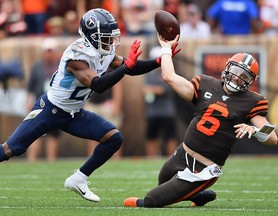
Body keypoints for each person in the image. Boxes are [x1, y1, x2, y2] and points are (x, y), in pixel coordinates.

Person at [0, 8, 180, 202]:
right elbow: (98, 85)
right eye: (105, 37)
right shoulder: (77, 56)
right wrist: (126, 67)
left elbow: (129, 66)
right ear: (90, 36)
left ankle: (78, 178)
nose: (110, 42)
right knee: (11, 149)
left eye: (111, 37)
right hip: (50, 109)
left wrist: (159, 61)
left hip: (73, 113)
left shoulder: (103, 50)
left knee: (114, 138)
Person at [124, 34, 278, 208]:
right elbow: (169, 77)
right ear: (227, 68)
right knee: (163, 182)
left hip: (203, 170)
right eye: (236, 71)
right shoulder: (205, 83)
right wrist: (166, 48)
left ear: (250, 81)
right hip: (182, 153)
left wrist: (255, 131)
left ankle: (193, 190)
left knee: (151, 201)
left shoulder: (252, 101)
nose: (237, 77)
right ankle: (198, 196)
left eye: (244, 76)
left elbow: (273, 138)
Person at [26, 38, 61, 162]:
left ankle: (51, 161)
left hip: (55, 105)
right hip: (39, 105)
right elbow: (30, 87)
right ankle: (32, 161)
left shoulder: (60, 67)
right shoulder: (37, 67)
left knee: (53, 135)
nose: (49, 53)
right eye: (47, 51)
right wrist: (28, 102)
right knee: (35, 134)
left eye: (51, 51)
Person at [143, 46, 178, 157]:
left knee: (170, 137)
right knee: (151, 137)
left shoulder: (168, 73)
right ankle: (151, 160)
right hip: (152, 112)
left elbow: (163, 90)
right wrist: (153, 90)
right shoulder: (150, 74)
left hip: (167, 112)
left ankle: (172, 159)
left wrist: (152, 89)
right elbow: (144, 90)